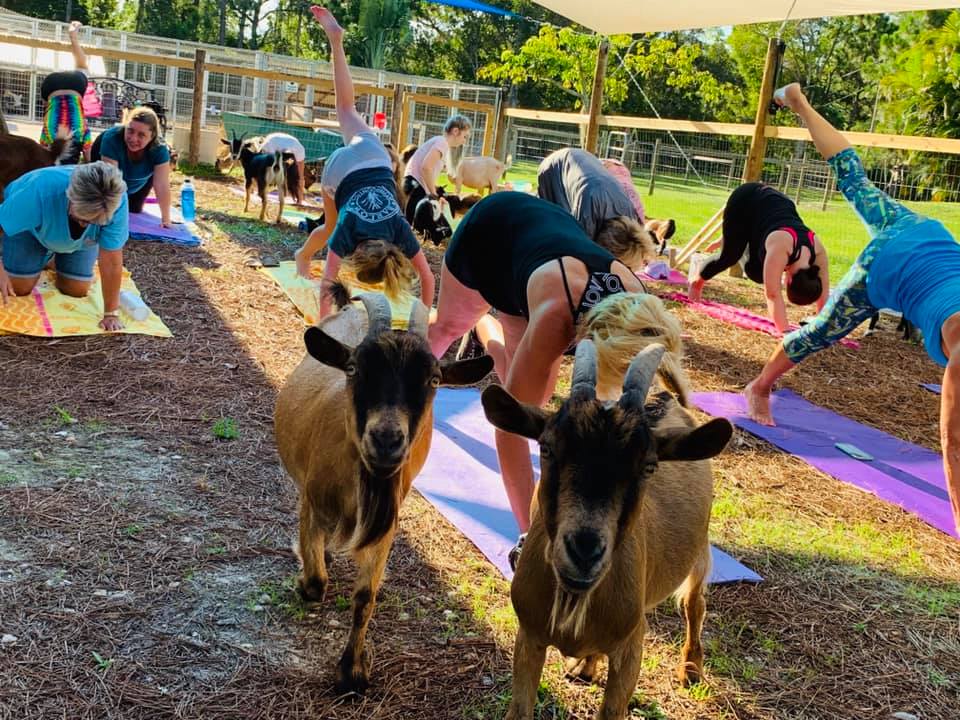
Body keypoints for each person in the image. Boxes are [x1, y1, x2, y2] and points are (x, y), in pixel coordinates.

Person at [744, 83, 960, 534]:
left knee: (851, 175)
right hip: (884, 270)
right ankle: (759, 386)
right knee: (819, 331)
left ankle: (799, 101)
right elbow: (951, 440)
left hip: (922, 231)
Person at [428, 192, 681, 558]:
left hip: (536, 255)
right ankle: (445, 356)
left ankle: (492, 333)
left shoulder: (641, 303)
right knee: (450, 327)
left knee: (540, 396)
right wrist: (530, 533)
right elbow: (509, 430)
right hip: (490, 235)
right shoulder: (557, 319)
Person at [297, 5, 434, 319]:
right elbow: (328, 283)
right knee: (330, 226)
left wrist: (424, 316)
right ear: (355, 257)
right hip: (339, 169)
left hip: (374, 157)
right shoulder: (347, 231)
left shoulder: (399, 229)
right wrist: (322, 326)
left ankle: (336, 40)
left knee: (346, 108)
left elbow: (428, 279)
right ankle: (303, 256)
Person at [0, 162, 129, 331]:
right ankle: (40, 254)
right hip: (29, 231)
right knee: (18, 288)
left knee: (77, 289)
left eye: (93, 221)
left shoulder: (116, 201)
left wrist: (111, 313)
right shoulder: (37, 191)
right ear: (69, 197)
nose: (84, 226)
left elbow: (112, 260)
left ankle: (51, 256)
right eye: (81, 218)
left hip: (78, 242)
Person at [687, 181, 830, 333]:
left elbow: (824, 291)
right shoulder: (782, 247)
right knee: (731, 258)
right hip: (746, 200)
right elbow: (773, 294)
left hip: (769, 215)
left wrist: (822, 327)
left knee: (760, 275)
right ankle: (696, 283)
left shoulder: (819, 251)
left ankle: (735, 238)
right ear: (788, 280)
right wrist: (785, 332)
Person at [537, 148, 656, 269]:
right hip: (555, 167)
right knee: (555, 227)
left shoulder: (630, 216)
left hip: (583, 162)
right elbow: (578, 251)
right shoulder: (588, 214)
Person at [90, 106, 172, 228]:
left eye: (141, 135)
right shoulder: (112, 138)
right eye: (130, 131)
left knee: (134, 209)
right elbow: (111, 181)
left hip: (139, 180)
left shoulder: (159, 149)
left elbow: (162, 185)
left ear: (152, 136)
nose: (133, 139)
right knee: (106, 212)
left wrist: (166, 219)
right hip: (108, 177)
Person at [402, 115, 472, 224]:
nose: (464, 141)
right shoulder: (442, 143)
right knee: (412, 224)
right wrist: (433, 194)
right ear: (455, 131)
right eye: (464, 136)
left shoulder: (440, 143)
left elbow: (428, 170)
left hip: (414, 184)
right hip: (415, 185)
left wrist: (436, 194)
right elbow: (426, 168)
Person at [39, 21, 91, 164]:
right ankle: (73, 36)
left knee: (82, 66)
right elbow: (42, 147)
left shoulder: (80, 135)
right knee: (49, 106)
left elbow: (88, 155)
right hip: (51, 86)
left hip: (74, 86)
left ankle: (73, 36)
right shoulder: (50, 135)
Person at [261, 132, 307, 205]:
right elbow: (301, 176)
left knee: (293, 173)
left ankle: (299, 199)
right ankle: (262, 191)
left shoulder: (299, 152)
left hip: (286, 150)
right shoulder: (300, 150)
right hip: (274, 145)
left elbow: (301, 176)